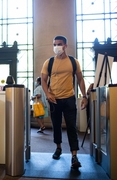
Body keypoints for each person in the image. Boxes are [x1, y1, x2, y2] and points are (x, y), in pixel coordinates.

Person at [41, 35, 88, 169]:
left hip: (69, 98)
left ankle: (74, 156)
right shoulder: (49, 62)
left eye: (59, 44)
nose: (56, 47)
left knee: (72, 126)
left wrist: (84, 96)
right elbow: (43, 80)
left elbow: (80, 79)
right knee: (56, 125)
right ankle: (58, 148)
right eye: (54, 44)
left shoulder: (73, 62)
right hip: (54, 99)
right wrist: (48, 93)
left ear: (65, 46)